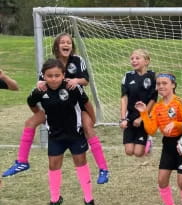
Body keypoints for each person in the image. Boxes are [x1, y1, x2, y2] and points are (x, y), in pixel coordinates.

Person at [3, 33, 110, 185]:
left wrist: (76, 80)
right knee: (30, 122)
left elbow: (85, 80)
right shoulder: (50, 63)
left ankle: (103, 169)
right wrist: (39, 84)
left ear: (72, 46)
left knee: (88, 128)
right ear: (57, 46)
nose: (66, 44)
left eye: (69, 42)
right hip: (54, 105)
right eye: (63, 42)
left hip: (76, 104)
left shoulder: (78, 60)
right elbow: (41, 82)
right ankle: (22, 161)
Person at [27, 59, 96, 205]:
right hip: (56, 136)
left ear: (63, 75)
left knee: (80, 163)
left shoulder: (73, 87)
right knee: (53, 165)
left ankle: (88, 200)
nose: (53, 78)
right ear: (43, 76)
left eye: (57, 75)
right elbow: (30, 102)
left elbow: (86, 104)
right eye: (49, 75)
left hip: (75, 134)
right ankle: (55, 199)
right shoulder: (39, 90)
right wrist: (40, 115)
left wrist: (92, 121)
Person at [136, 73, 182, 205]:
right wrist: (144, 113)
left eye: (165, 83)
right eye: (158, 84)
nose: (161, 86)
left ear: (173, 85)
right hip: (168, 145)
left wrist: (176, 124)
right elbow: (151, 130)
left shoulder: (180, 103)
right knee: (162, 179)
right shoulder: (157, 107)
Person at [120, 48, 158, 157]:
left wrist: (142, 118)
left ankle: (148, 141)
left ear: (146, 61)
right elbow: (124, 98)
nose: (133, 60)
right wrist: (123, 118)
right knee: (129, 151)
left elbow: (153, 100)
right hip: (130, 116)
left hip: (144, 116)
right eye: (132, 58)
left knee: (138, 153)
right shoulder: (127, 76)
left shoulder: (153, 77)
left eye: (137, 58)